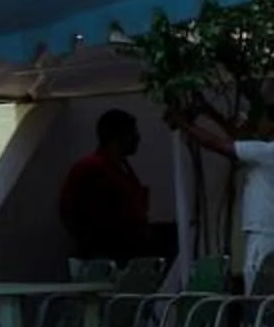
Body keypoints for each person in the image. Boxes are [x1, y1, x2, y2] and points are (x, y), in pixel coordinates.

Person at [175, 112, 274, 289]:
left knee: (259, 292)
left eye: (262, 121)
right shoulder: (263, 153)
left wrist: (185, 125)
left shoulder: (267, 152)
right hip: (265, 230)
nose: (258, 127)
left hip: (264, 233)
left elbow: (217, 144)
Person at [58, 109, 155, 264]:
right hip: (106, 255)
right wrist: (94, 245)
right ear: (117, 136)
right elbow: (68, 210)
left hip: (128, 253)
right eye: (132, 133)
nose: (137, 138)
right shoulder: (91, 168)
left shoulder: (122, 167)